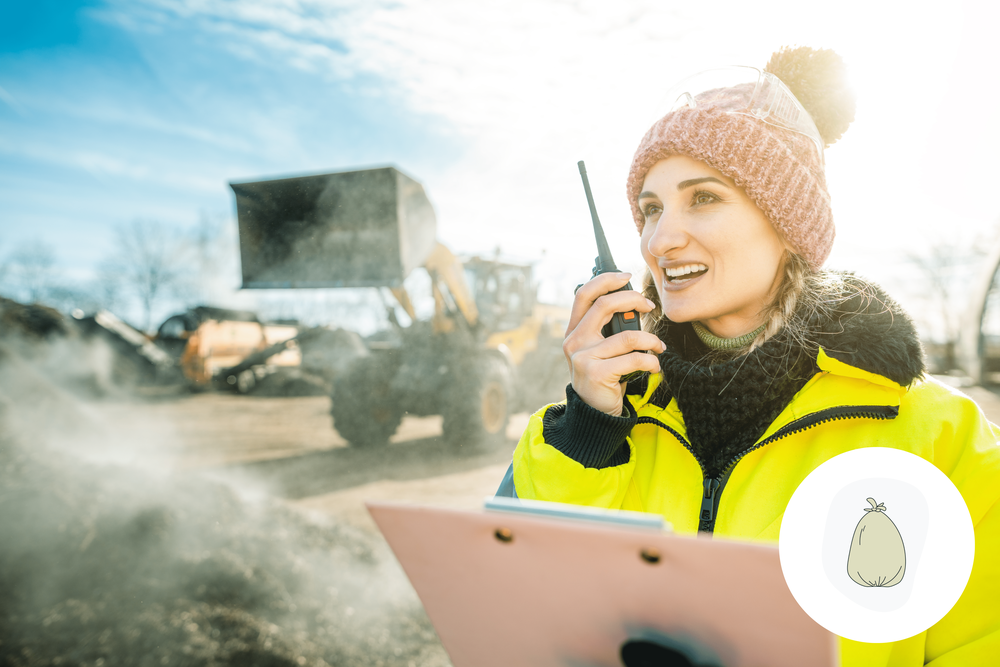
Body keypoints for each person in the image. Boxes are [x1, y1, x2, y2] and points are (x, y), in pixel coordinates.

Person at [499, 46, 1000, 665]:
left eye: (703, 197)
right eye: (650, 209)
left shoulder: (938, 438)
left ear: (787, 222)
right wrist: (590, 428)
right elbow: (519, 611)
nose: (659, 240)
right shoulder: (606, 419)